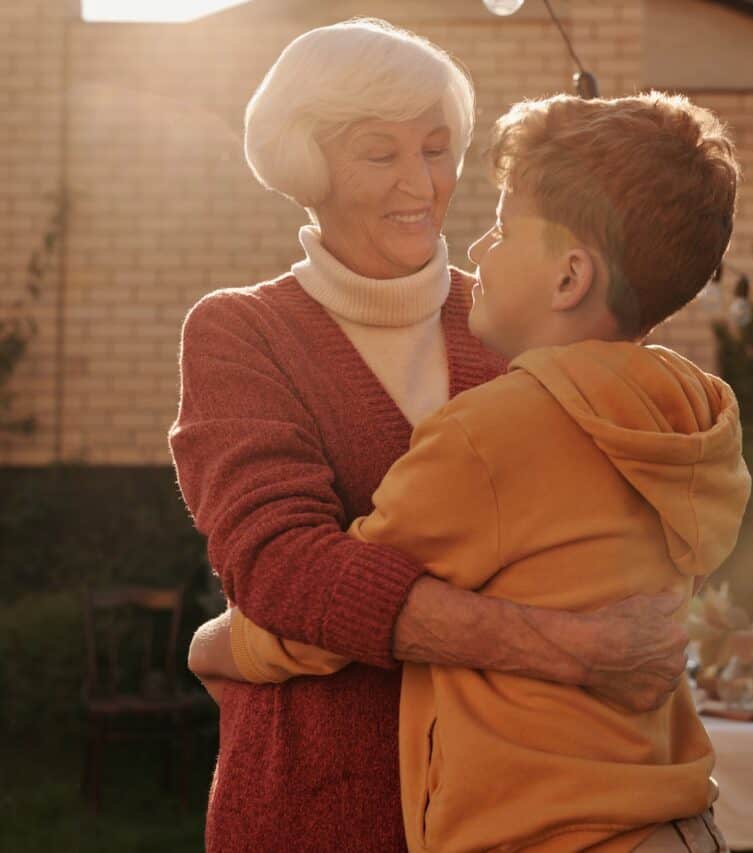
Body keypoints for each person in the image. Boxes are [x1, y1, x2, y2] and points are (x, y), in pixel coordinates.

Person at [171, 20, 690, 852]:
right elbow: (283, 567)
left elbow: (594, 540)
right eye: (381, 154)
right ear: (311, 166)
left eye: (438, 147)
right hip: (321, 805)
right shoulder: (241, 333)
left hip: (512, 811)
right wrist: (572, 649)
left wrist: (238, 642)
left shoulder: (523, 318)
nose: (424, 182)